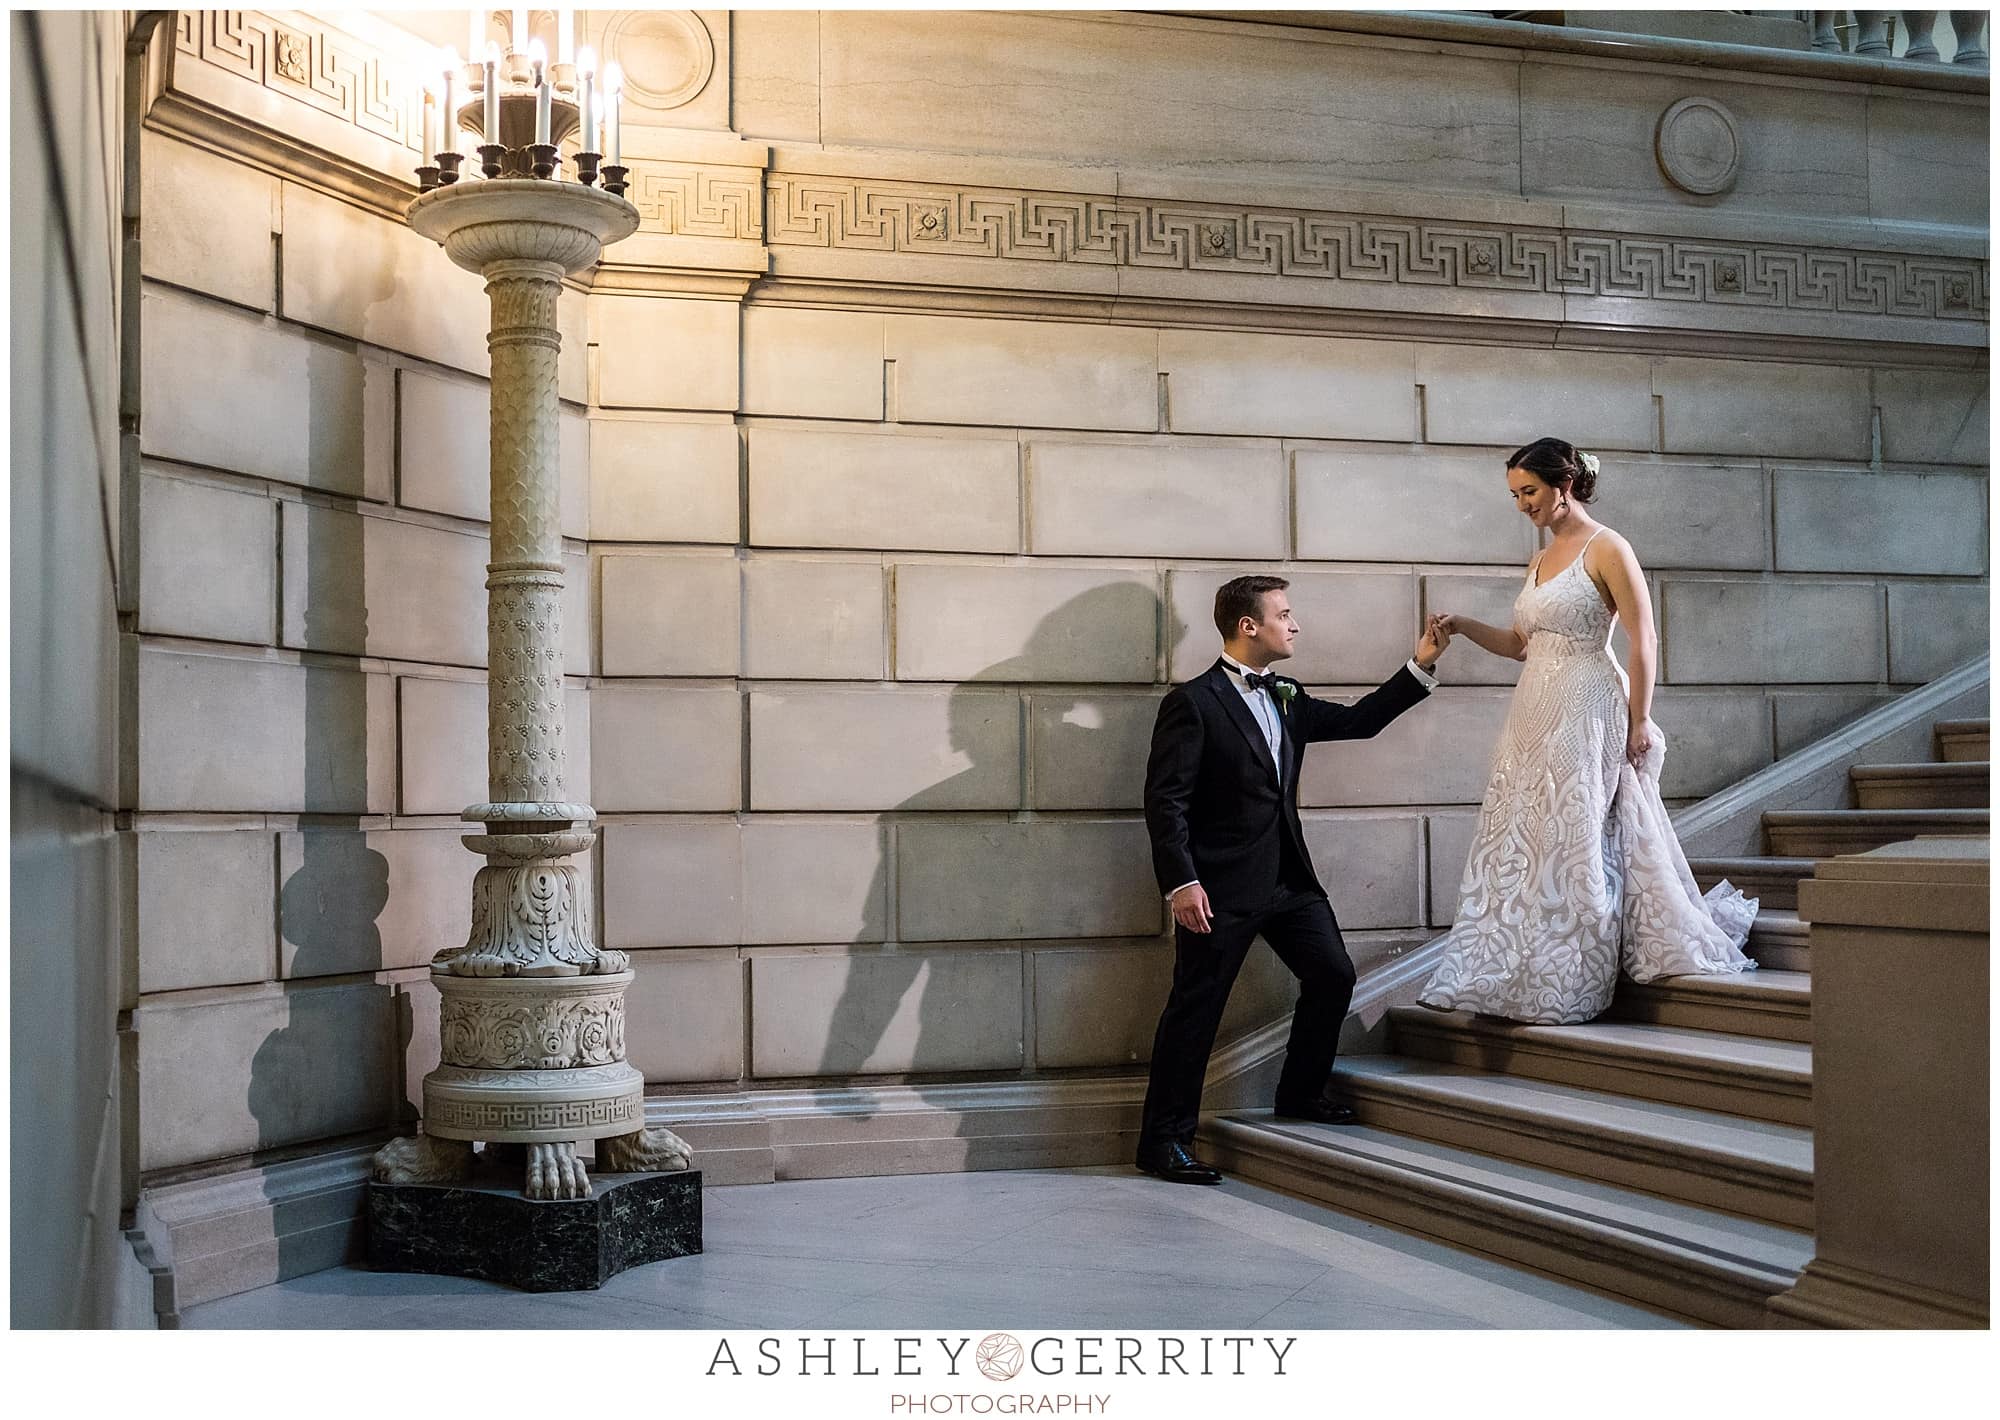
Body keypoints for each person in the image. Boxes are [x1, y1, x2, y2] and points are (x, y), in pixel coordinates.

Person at [1417, 437, 1755, 1025]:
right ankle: (1517, 968)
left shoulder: (1608, 547)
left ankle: (1569, 979)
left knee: (1575, 831)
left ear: (1564, 484)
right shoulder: (1542, 558)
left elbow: (1643, 639)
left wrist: (1641, 716)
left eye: (1529, 492)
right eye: (1515, 495)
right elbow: (1523, 645)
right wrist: (1465, 627)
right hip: (1534, 708)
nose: (1521, 504)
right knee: (1526, 833)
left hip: (1588, 700)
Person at [1135, 575, 1450, 1184]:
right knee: (1194, 1013)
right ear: (1249, 626)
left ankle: (1300, 1092)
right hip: (1219, 890)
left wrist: (1419, 666)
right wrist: (1182, 884)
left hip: (1289, 881)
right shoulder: (1194, 704)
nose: (1295, 623)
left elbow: (1360, 722)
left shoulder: (1287, 693)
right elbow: (1165, 803)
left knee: (1333, 975)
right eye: (1284, 613)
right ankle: (1163, 1142)